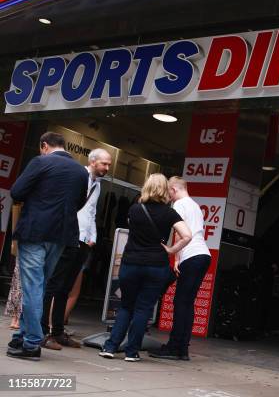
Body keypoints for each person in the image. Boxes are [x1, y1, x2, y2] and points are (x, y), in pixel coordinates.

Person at [7, 132, 88, 360]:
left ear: (44, 145)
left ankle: (32, 342)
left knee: (33, 286)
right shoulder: (81, 171)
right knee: (39, 287)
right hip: (62, 235)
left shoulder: (41, 162)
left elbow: (17, 192)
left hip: (35, 231)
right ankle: (23, 335)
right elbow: (79, 202)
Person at [99, 174, 191, 362]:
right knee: (143, 309)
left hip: (131, 263)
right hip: (156, 266)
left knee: (126, 306)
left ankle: (110, 347)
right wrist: (172, 249)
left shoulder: (134, 209)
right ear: (165, 189)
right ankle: (131, 352)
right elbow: (187, 235)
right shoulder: (169, 213)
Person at [40, 148, 112, 350]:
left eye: (108, 164)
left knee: (66, 286)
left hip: (83, 241)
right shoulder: (79, 176)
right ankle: (42, 332)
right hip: (69, 236)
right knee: (53, 285)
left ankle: (58, 331)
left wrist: (93, 237)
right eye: (104, 164)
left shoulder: (98, 184)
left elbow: (91, 211)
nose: (107, 168)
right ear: (93, 161)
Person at [149, 176, 211, 360]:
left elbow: (180, 234)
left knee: (180, 302)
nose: (168, 196)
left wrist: (173, 253)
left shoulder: (179, 205)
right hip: (202, 255)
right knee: (187, 302)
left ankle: (175, 347)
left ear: (174, 189)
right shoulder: (195, 206)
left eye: (169, 192)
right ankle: (182, 349)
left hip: (191, 255)